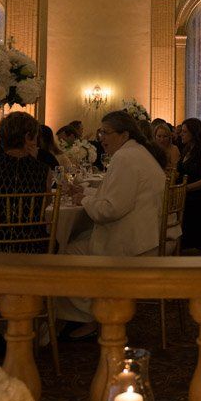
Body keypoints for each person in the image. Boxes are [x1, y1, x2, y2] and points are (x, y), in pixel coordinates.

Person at [57, 110, 168, 336]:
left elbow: (110, 210)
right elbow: (118, 194)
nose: (101, 138)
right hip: (146, 235)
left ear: (124, 134)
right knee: (80, 240)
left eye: (106, 133)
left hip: (132, 244)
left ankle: (92, 316)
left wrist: (84, 199)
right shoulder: (137, 152)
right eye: (101, 133)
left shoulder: (125, 158)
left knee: (63, 254)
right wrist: (85, 191)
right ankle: (94, 311)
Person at [177, 118, 201, 252]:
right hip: (184, 193)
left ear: (194, 133)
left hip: (196, 196)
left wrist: (185, 188)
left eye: (184, 132)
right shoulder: (187, 149)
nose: (181, 134)